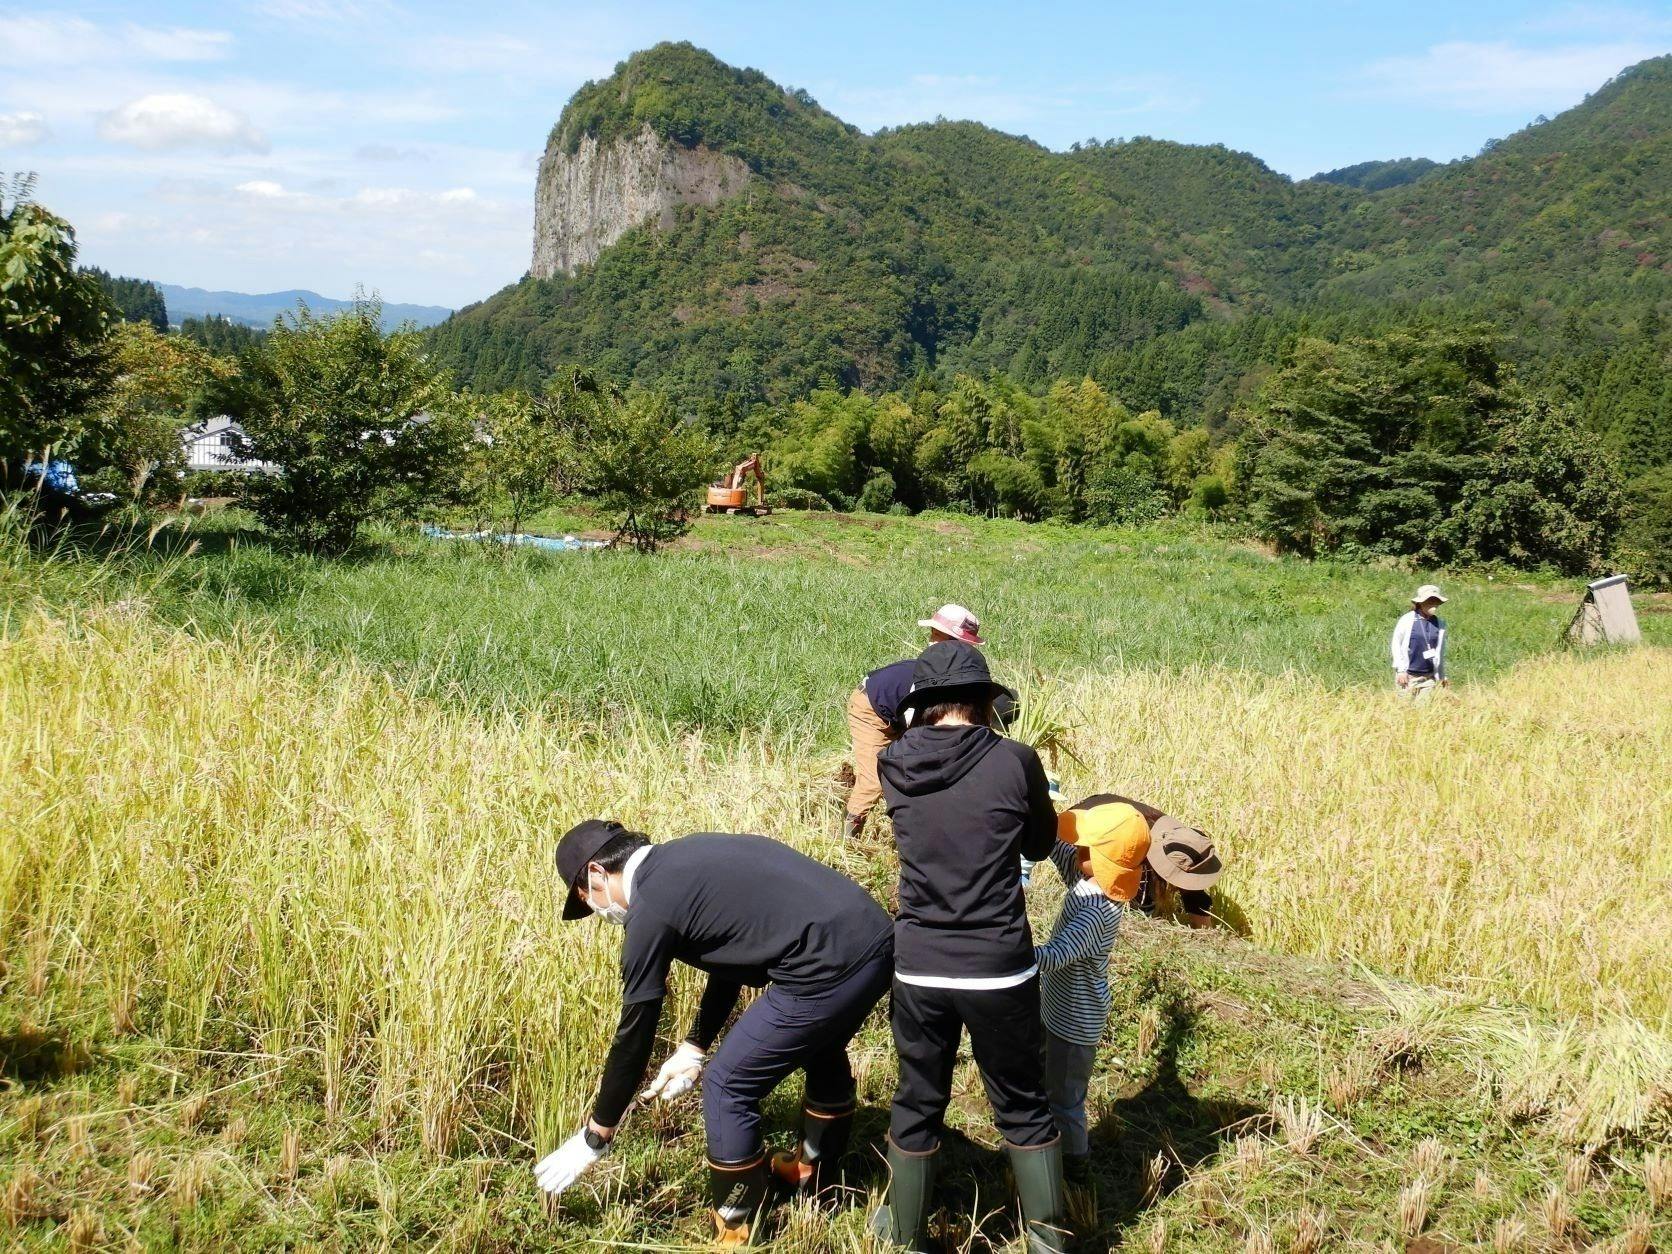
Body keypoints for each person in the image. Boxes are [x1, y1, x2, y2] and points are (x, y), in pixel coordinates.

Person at [534, 820, 894, 1245]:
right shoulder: (690, 856)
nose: (597, 912)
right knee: (821, 1041)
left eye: (586, 900)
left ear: (596, 873)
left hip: (825, 966)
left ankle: (737, 1227)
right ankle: (814, 1177)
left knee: (727, 1085)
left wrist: (597, 1134)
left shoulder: (650, 908)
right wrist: (693, 1046)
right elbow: (735, 953)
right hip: (875, 936)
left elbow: (635, 1033)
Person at [871, 640, 1068, 1254]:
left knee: (918, 1096)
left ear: (924, 705)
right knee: (1022, 1103)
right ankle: (1046, 1240)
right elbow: (1039, 846)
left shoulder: (894, 764)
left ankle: (904, 1233)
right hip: (996, 967)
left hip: (920, 965)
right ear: (985, 702)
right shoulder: (1016, 760)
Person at [1034, 797, 1150, 1171]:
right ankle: (1049, 1143)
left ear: (1100, 860)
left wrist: (1007, 955)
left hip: (1074, 1024)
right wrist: (1038, 813)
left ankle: (1074, 1163)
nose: (1078, 847)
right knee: (1049, 1082)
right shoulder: (1090, 879)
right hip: (1057, 1011)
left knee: (1065, 1099)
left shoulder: (1098, 912)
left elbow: (1055, 955)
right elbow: (1059, 849)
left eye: (1086, 845)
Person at [840, 603, 985, 841]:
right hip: (871, 708)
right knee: (873, 781)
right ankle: (845, 841)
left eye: (938, 636)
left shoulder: (949, 671)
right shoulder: (928, 672)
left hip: (896, 712)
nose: (931, 641)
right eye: (934, 635)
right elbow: (916, 730)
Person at [1077, 793, 1223, 929]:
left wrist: (1206, 933)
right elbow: (1089, 865)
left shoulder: (1182, 846)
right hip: (1082, 827)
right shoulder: (1136, 842)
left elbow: (1195, 897)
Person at [1391, 585, 1449, 695]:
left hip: (1428, 679)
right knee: (1404, 710)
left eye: (1435, 600)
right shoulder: (1407, 620)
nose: (1433, 604)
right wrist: (1401, 671)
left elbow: (1439, 654)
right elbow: (1396, 644)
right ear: (1421, 603)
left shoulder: (1440, 624)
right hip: (1408, 678)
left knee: (1424, 711)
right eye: (1430, 600)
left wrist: (1441, 676)